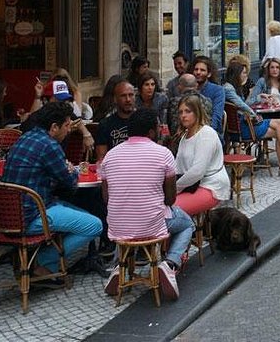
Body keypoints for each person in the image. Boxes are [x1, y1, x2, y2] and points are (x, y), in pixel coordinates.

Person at [98, 108, 192, 301]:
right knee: (187, 224)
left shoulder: (110, 156)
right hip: (152, 225)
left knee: (126, 216)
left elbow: (107, 198)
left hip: (117, 228)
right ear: (151, 131)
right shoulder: (163, 154)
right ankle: (170, 263)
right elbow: (170, 199)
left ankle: (120, 267)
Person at [2, 101, 102, 279]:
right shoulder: (50, 145)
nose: (68, 130)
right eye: (66, 126)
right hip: (31, 216)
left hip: (7, 215)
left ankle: (43, 262)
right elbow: (69, 182)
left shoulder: (25, 137)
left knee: (76, 210)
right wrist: (70, 170)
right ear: (54, 127)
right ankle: (42, 260)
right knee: (94, 225)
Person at [222, 61, 280, 176]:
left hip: (244, 124)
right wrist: (254, 114)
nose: (246, 75)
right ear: (236, 73)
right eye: (243, 73)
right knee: (279, 124)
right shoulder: (228, 89)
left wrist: (259, 97)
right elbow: (243, 105)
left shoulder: (234, 87)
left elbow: (245, 104)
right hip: (242, 128)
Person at [173, 95, 230, 216]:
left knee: (169, 211)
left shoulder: (206, 134)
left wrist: (174, 189)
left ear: (197, 113)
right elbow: (177, 166)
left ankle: (186, 231)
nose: (183, 115)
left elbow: (197, 171)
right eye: (181, 112)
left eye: (188, 111)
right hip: (191, 185)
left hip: (211, 186)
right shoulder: (185, 135)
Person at [96, 80, 138, 162]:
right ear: (115, 99)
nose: (128, 99)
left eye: (131, 95)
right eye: (123, 96)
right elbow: (101, 158)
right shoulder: (105, 124)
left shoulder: (144, 121)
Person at [191, 56, 227, 135]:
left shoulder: (217, 90)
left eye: (202, 70)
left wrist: (206, 134)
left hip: (210, 133)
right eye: (196, 69)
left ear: (209, 74)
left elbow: (217, 116)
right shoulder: (188, 89)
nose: (198, 72)